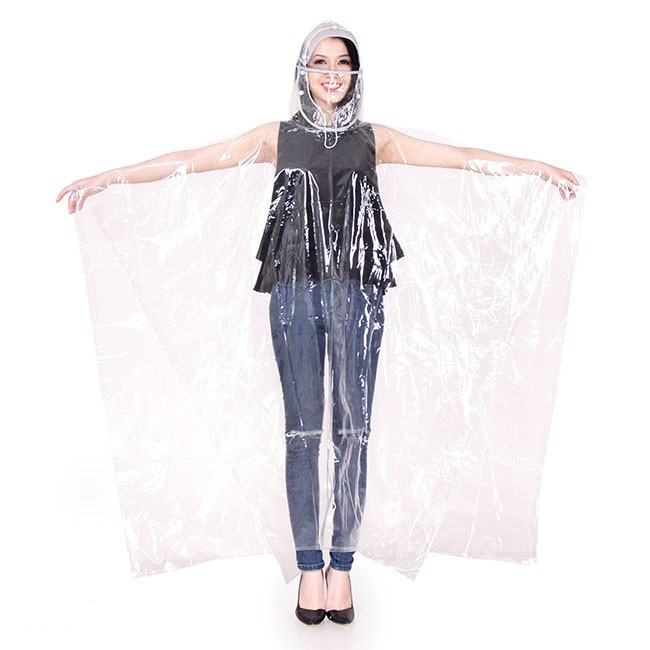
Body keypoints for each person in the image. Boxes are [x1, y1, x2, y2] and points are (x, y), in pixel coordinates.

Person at [56, 20, 579, 627]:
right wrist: (106, 178)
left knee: (353, 432)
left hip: (360, 293)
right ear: (303, 71)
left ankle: (343, 566)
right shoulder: (277, 138)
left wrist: (536, 168)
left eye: (343, 63)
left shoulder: (374, 139)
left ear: (355, 74)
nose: (332, 72)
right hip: (295, 294)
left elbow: (460, 159)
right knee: (304, 433)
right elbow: (191, 161)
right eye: (320, 61)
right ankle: (310, 566)